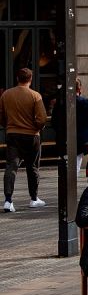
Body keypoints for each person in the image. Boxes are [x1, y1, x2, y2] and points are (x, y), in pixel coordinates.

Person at [0, 68, 47, 212]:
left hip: (13, 134)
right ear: (30, 79)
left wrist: (9, 126)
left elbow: (1, 116)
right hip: (32, 136)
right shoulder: (35, 96)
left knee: (11, 167)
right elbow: (42, 119)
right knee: (32, 167)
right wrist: (37, 127)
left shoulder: (6, 95)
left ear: (17, 78)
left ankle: (8, 201)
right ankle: (34, 198)